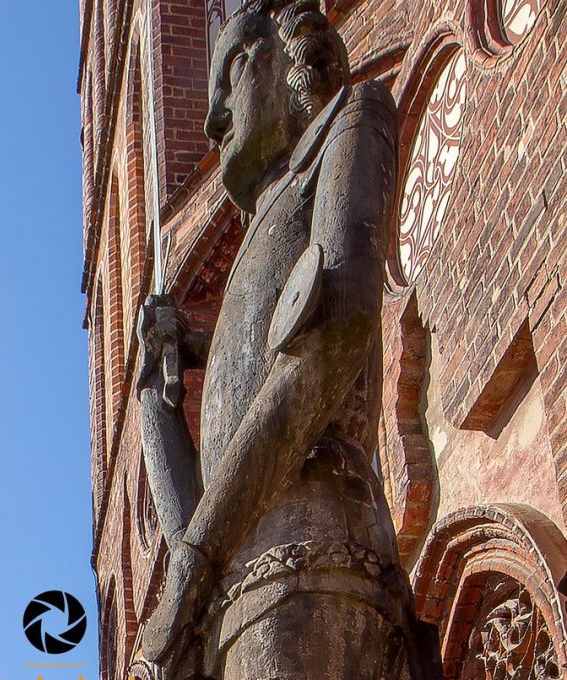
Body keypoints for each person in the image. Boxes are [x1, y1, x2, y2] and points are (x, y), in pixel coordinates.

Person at [134, 1, 440, 677]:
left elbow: (332, 332)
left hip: (316, 559)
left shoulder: (350, 123)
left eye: (236, 67)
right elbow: (190, 517)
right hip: (235, 601)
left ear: (293, 58)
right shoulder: (253, 240)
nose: (215, 120)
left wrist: (195, 562)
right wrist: (153, 404)